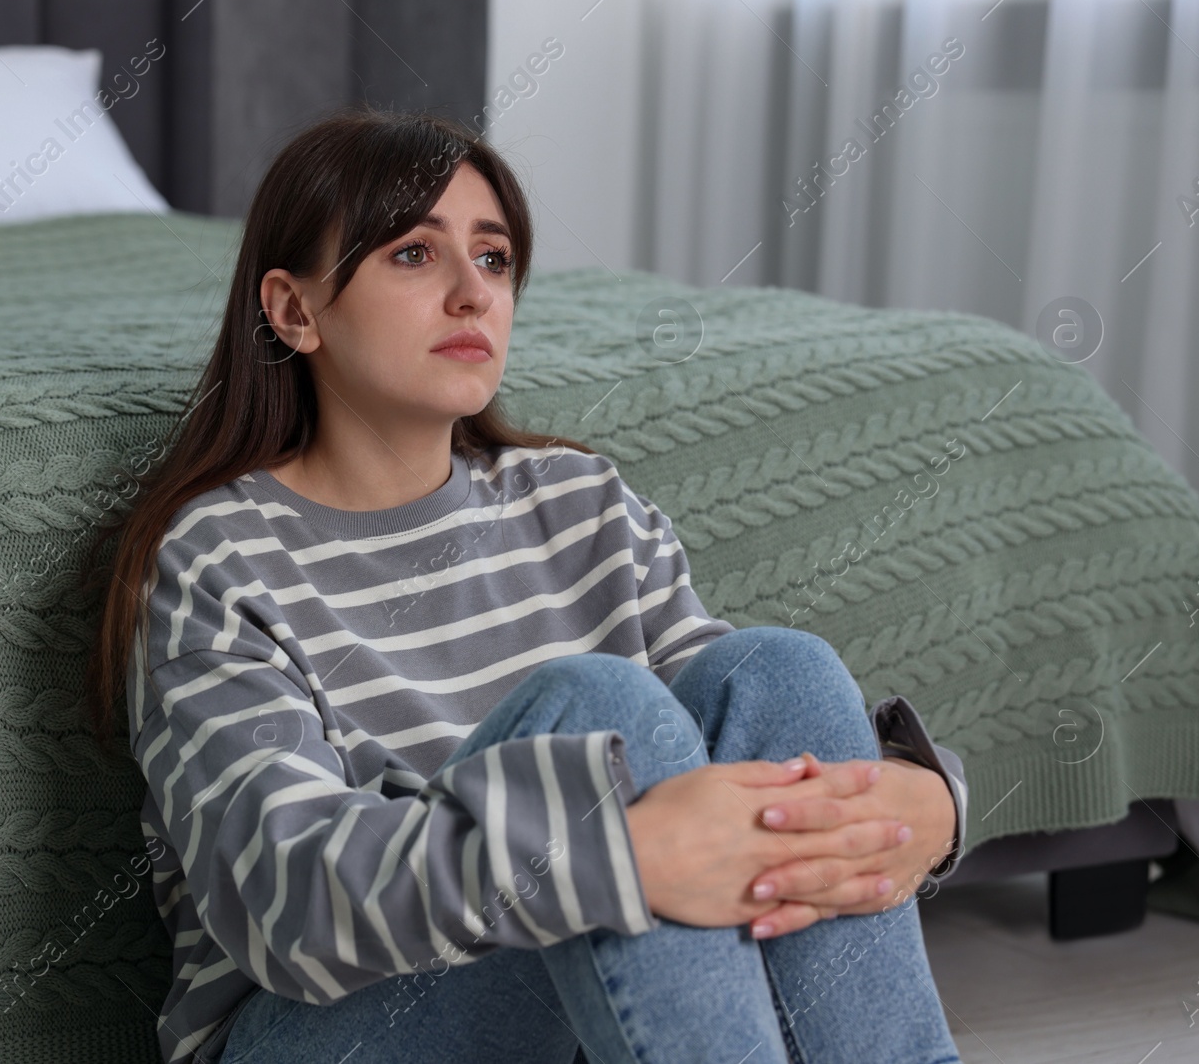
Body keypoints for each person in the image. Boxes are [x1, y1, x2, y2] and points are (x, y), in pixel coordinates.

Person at [83, 107, 968, 1064]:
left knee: (780, 672)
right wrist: (614, 859)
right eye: (415, 256)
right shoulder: (219, 555)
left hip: (587, 1016)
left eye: (495, 257)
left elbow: (748, 737)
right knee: (596, 706)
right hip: (321, 1030)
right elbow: (287, 906)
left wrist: (928, 799)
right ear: (296, 310)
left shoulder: (581, 501)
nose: (473, 293)